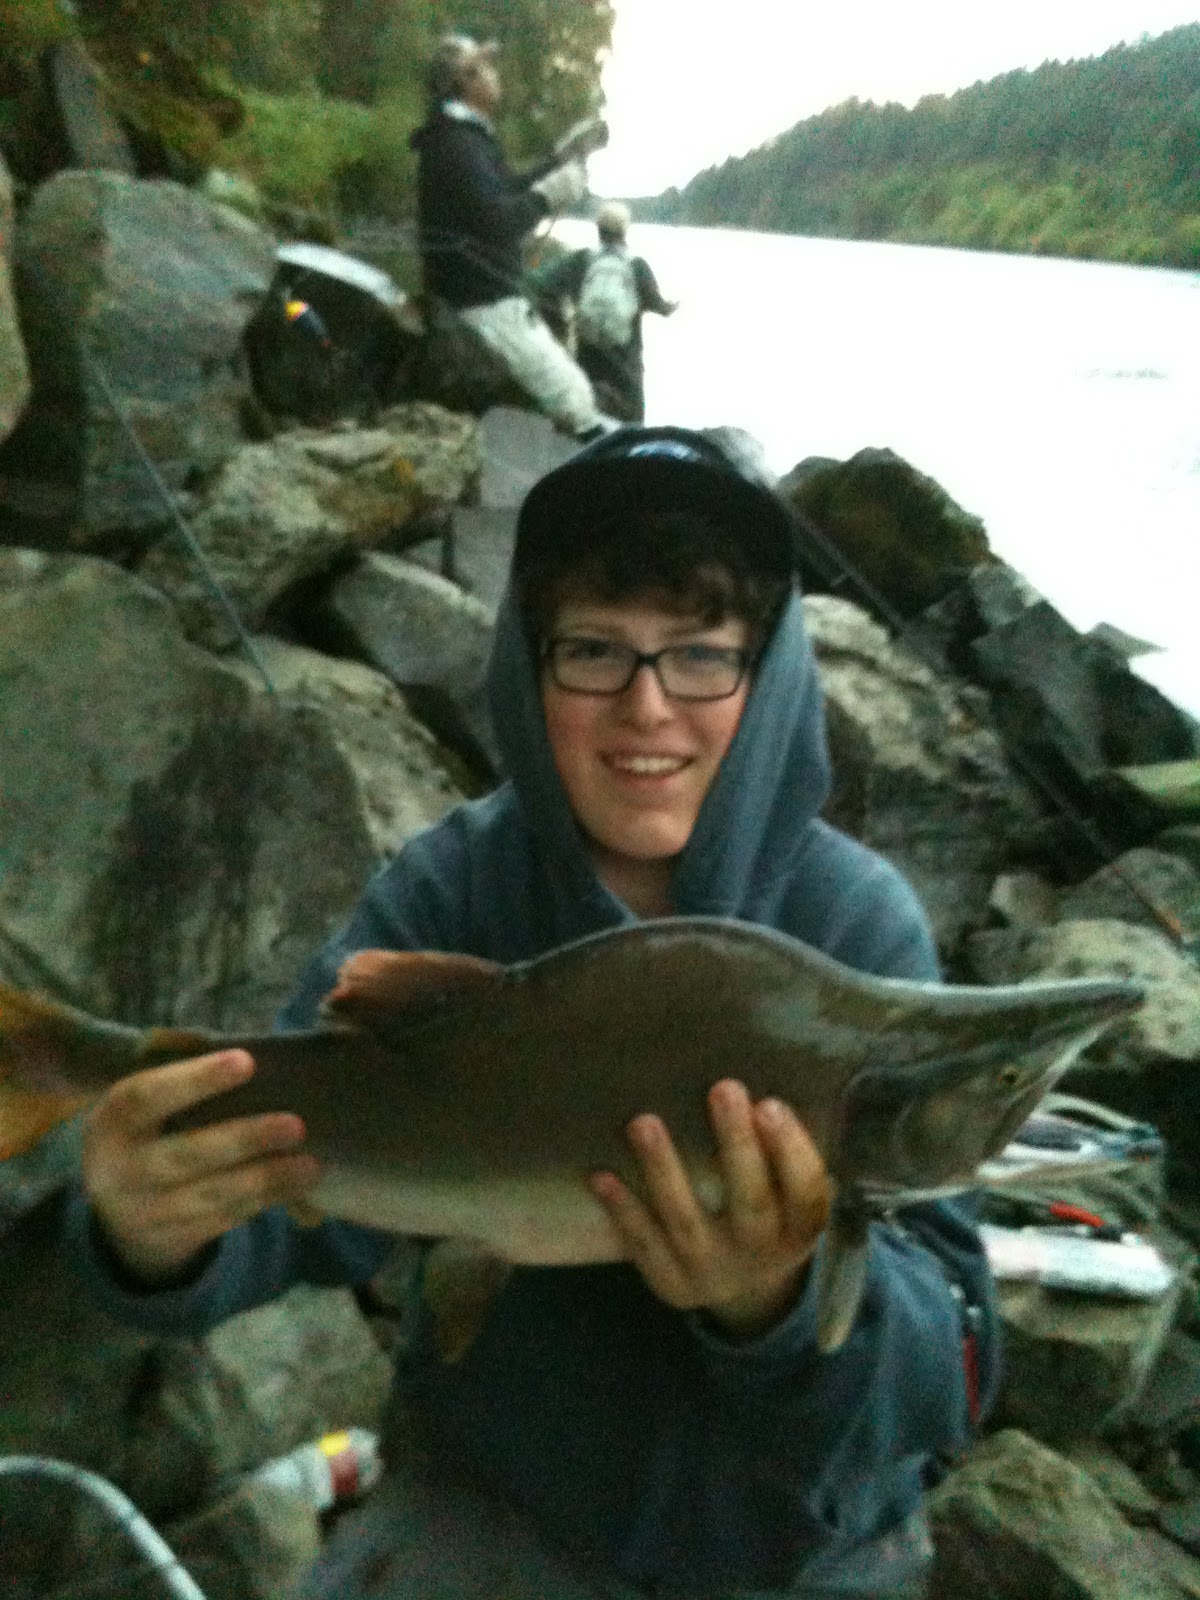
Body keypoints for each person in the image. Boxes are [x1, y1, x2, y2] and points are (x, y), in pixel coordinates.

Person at [67, 426, 999, 1600]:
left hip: (796, 1551)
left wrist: (776, 1300)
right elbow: (294, 1206)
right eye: (594, 652)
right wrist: (154, 1241)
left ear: (768, 677)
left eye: (702, 656)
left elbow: (951, 1369)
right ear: (529, 664)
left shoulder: (857, 924)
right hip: (489, 1511)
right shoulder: (448, 886)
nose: (647, 707)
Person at [410, 32, 614, 441]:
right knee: (576, 403)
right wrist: (550, 194)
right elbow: (500, 221)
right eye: (484, 67)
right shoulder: (459, 144)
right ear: (465, 80)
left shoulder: (459, 136)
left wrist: (556, 161)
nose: (494, 75)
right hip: (484, 307)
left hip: (476, 301)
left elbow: (504, 191)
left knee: (574, 398)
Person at [535, 200, 677, 423]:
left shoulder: (581, 260)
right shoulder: (637, 266)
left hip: (588, 356)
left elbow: (543, 286)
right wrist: (671, 306)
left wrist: (559, 323)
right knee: (631, 423)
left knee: (585, 415)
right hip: (626, 363)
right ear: (625, 231)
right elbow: (659, 306)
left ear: (598, 228)